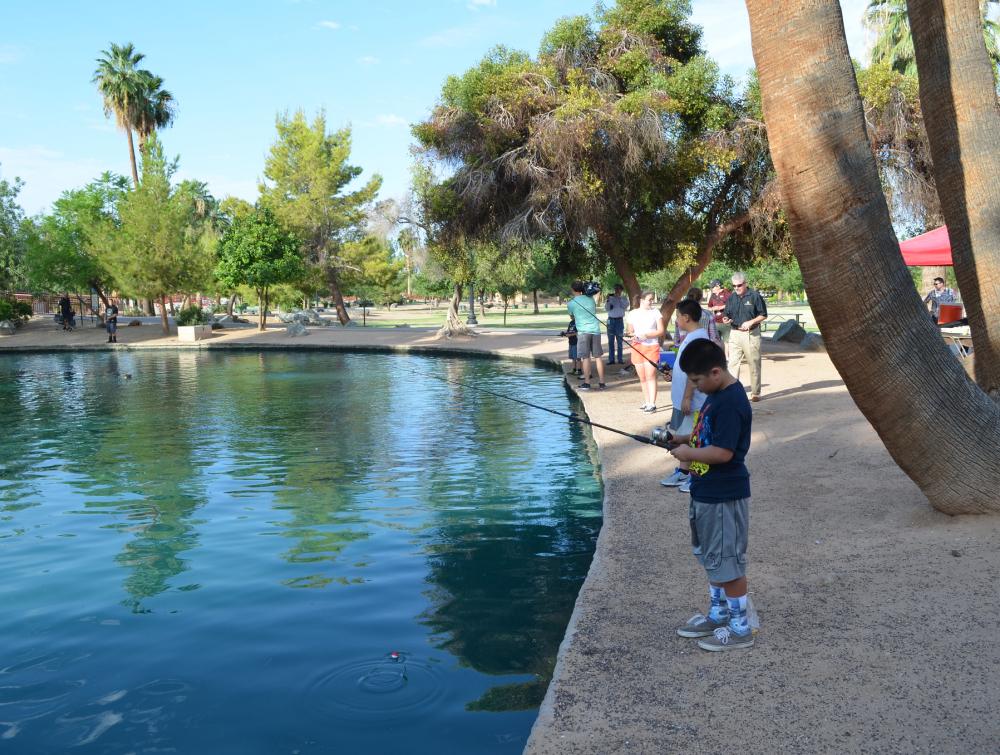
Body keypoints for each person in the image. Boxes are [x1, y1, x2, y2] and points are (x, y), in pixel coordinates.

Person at [668, 339, 756, 651]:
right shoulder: (716, 396)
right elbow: (707, 435)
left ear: (716, 372)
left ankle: (740, 628)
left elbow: (722, 452)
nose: (695, 387)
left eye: (696, 381)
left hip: (723, 495)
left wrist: (688, 451)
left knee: (728, 562)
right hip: (705, 492)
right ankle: (719, 614)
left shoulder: (730, 402)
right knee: (713, 558)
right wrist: (680, 439)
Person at [660, 300, 710, 492]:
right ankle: (684, 472)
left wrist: (687, 397)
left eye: (677, 316)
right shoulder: (691, 337)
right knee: (684, 433)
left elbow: (695, 372)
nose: (676, 320)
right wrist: (673, 375)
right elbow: (685, 368)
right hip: (683, 400)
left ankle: (696, 476)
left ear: (686, 317)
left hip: (693, 402)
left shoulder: (698, 339)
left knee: (693, 437)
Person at [721, 272, 767, 402]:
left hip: (751, 334)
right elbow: (727, 314)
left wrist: (751, 322)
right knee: (732, 364)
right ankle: (731, 393)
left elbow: (763, 314)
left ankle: (755, 393)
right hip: (735, 333)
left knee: (754, 364)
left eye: (739, 285)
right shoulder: (731, 298)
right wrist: (725, 318)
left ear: (745, 284)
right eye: (734, 286)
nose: (736, 288)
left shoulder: (755, 296)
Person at [625, 291, 665, 412]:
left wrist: (646, 335)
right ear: (642, 300)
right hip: (637, 347)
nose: (652, 301)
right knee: (642, 377)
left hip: (652, 347)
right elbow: (629, 331)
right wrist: (632, 335)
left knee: (650, 376)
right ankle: (647, 401)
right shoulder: (632, 313)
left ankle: (652, 404)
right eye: (650, 299)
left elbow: (661, 331)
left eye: (652, 299)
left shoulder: (656, 312)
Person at [567, 281, 606, 390]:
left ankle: (587, 383)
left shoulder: (571, 303)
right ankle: (602, 382)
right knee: (598, 357)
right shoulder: (591, 299)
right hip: (595, 330)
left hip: (583, 332)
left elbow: (572, 317)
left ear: (573, 290)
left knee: (586, 358)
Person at [605, 283, 629, 366]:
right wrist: (608, 300)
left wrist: (618, 298)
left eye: (618, 289)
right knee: (610, 341)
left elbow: (624, 306)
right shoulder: (610, 298)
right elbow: (607, 308)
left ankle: (620, 359)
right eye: (615, 289)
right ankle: (611, 359)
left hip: (619, 321)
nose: (616, 290)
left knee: (619, 341)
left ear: (621, 290)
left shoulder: (624, 298)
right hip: (611, 321)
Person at [707, 279, 732, 354]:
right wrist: (712, 308)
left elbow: (731, 304)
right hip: (715, 322)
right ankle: (717, 357)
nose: (711, 289)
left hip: (725, 322)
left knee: (726, 342)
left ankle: (726, 358)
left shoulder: (727, 293)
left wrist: (720, 307)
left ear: (718, 286)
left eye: (713, 287)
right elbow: (709, 306)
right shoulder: (713, 295)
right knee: (715, 341)